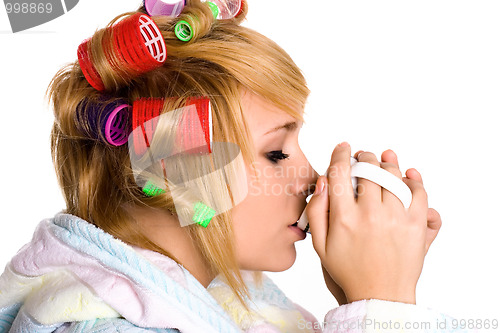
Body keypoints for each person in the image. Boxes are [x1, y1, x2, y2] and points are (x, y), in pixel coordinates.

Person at [0, 1, 471, 332]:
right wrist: (381, 305)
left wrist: (362, 299)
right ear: (176, 172)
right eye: (277, 152)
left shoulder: (227, 302)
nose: (310, 177)